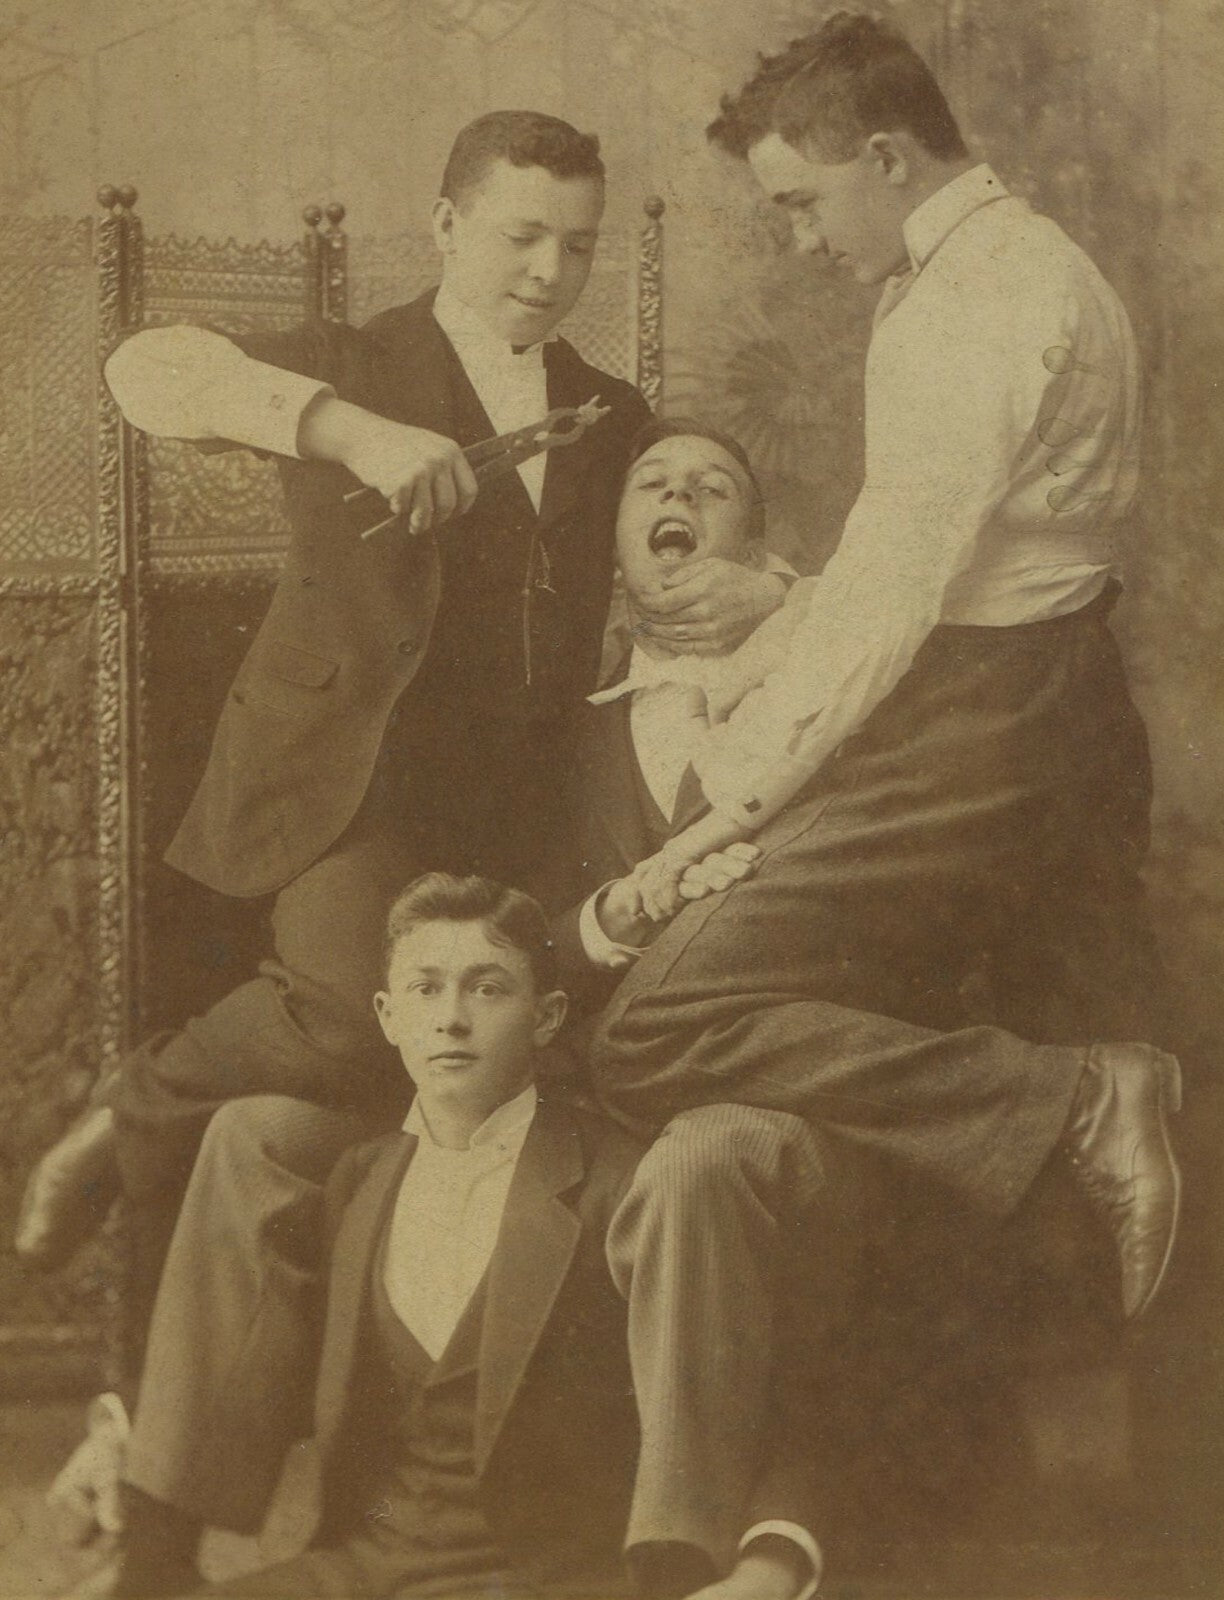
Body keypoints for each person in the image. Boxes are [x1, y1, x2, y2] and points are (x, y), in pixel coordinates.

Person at [51, 426, 1180, 1597]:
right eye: (655, 482)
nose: (681, 494)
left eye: (716, 484)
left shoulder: (854, 702)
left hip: (774, 1116)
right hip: (570, 1102)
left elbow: (928, 923)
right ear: (622, 552)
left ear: (764, 545)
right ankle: (157, 1541)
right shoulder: (560, 738)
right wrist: (608, 922)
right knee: (259, 1140)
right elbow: (502, 935)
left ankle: (677, 1569)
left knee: (702, 1156)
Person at [16, 111, 788, 1285]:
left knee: (543, 1025)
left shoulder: (606, 411)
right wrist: (351, 431)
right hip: (345, 790)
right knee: (352, 1012)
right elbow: (141, 367)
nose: (550, 273)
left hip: (525, 805)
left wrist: (772, 589)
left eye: (578, 248)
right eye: (523, 236)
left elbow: (700, 507)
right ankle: (126, 1117)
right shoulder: (351, 362)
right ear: (444, 225)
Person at [584, 15, 1181, 1321]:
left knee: (648, 1024)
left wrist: (732, 804)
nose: (801, 240)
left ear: (888, 154)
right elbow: (903, 569)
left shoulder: (968, 308)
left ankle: (1081, 1096)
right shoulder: (1034, 263)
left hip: (980, 719)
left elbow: (895, 601)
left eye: (803, 202)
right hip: (1050, 694)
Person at [75, 874, 848, 1600]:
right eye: (425, 989)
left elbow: (765, 1396)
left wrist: (770, 1565)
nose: (451, 1017)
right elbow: (246, 1350)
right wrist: (128, 1435)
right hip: (363, 1567)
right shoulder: (355, 1180)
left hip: (552, 1581)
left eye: (487, 987)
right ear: (387, 1017)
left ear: (545, 1017)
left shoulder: (621, 1186)